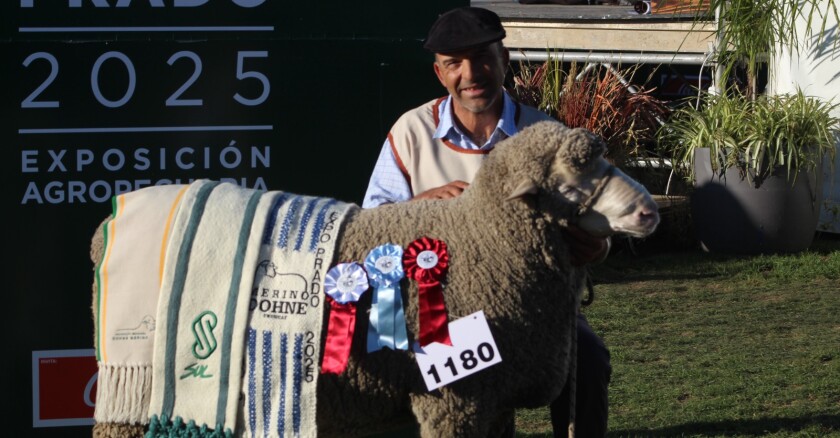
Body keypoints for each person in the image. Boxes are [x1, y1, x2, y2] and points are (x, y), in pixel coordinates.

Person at [361, 6, 612, 437]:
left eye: (482, 57)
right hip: (440, 310)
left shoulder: (544, 134)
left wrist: (596, 245)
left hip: (535, 306)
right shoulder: (410, 132)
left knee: (587, 358)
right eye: (454, 63)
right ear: (440, 74)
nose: (470, 73)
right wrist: (420, 205)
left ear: (503, 60)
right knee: (460, 379)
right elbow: (371, 228)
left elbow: (592, 220)